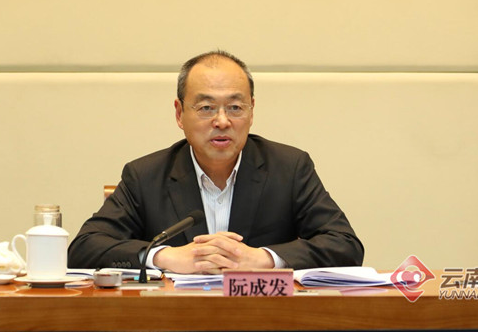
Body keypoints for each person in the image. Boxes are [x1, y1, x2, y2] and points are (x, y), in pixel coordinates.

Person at [68, 50, 364, 273]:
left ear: (251, 111)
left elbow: (345, 245)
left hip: (263, 322)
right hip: (175, 323)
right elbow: (84, 247)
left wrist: (263, 258)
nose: (222, 121)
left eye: (235, 107)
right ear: (179, 114)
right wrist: (165, 256)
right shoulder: (145, 176)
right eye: (206, 107)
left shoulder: (289, 168)